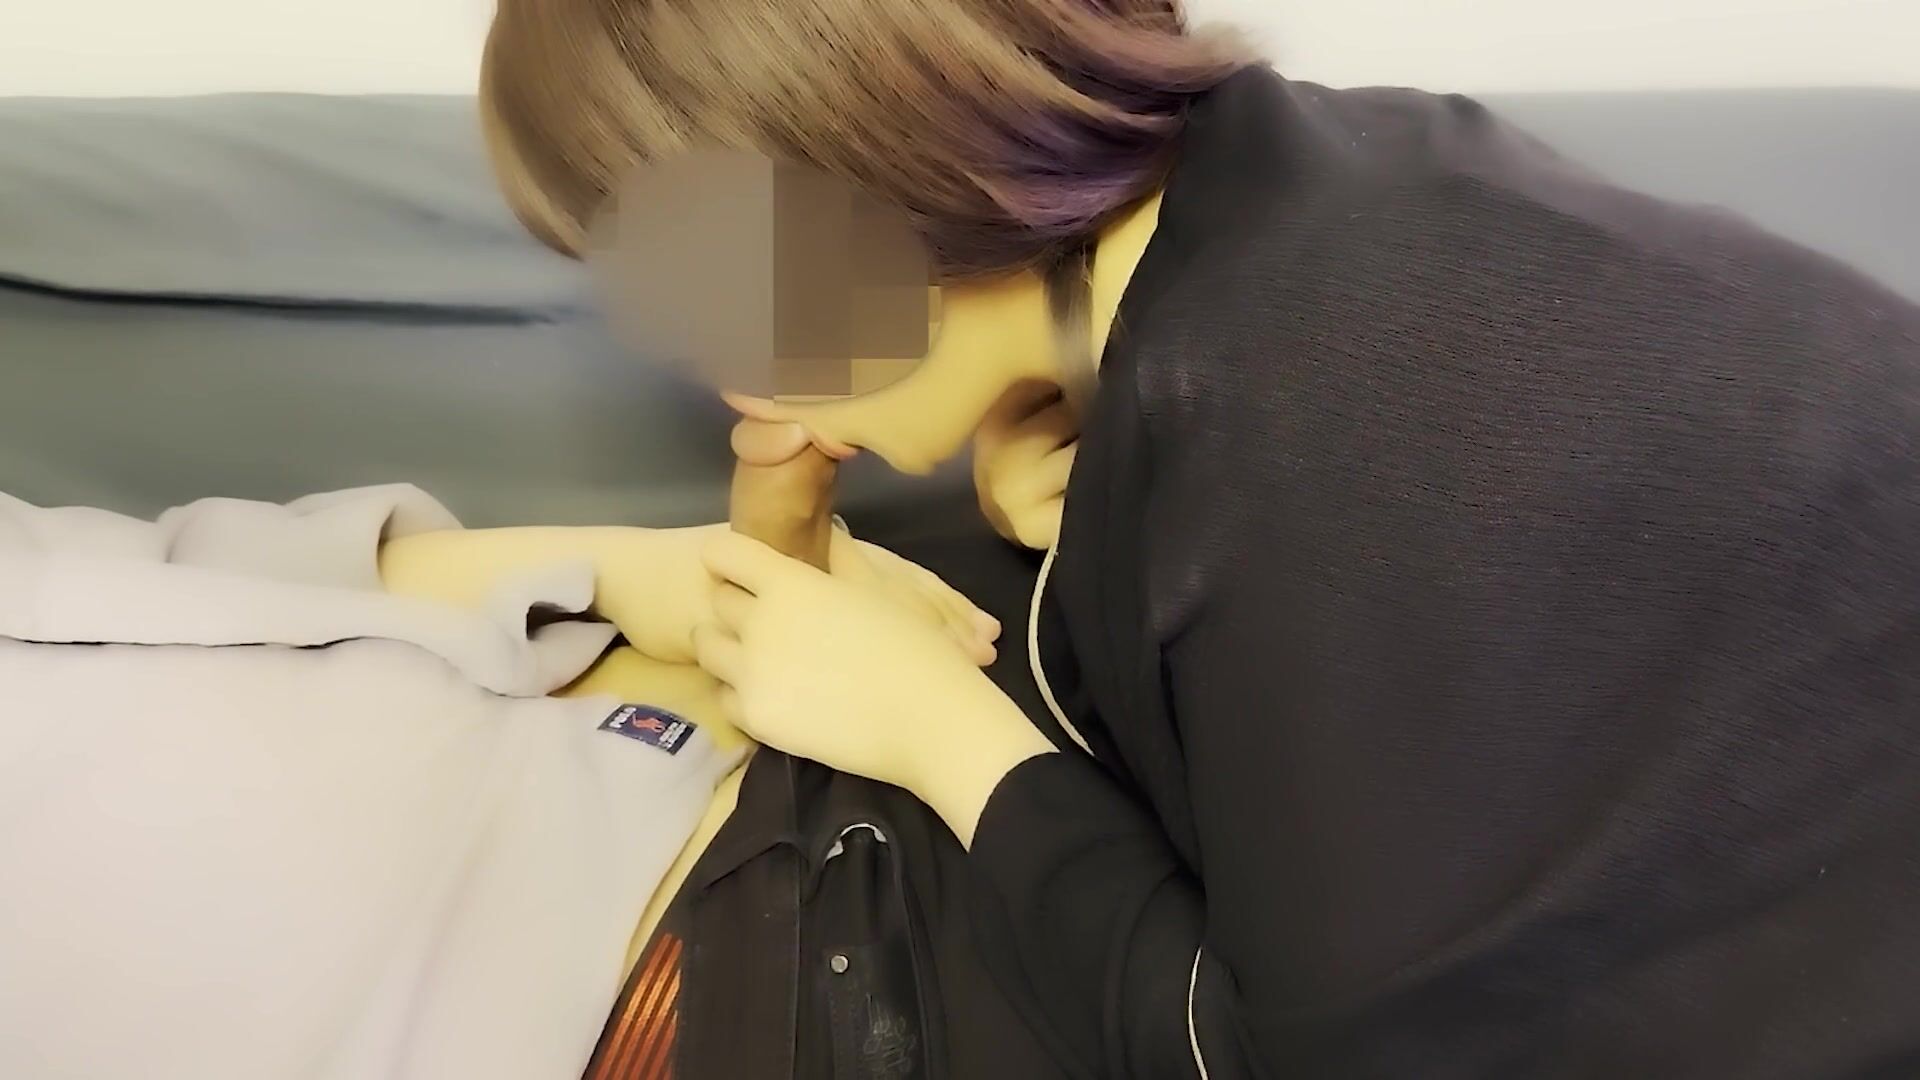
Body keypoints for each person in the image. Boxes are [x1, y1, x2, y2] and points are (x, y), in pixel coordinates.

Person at [481, 1, 1920, 1077]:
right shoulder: (1320, 171)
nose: (719, 372)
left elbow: (1257, 1055)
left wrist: (935, 733)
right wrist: (1069, 422)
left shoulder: (1312, 438)